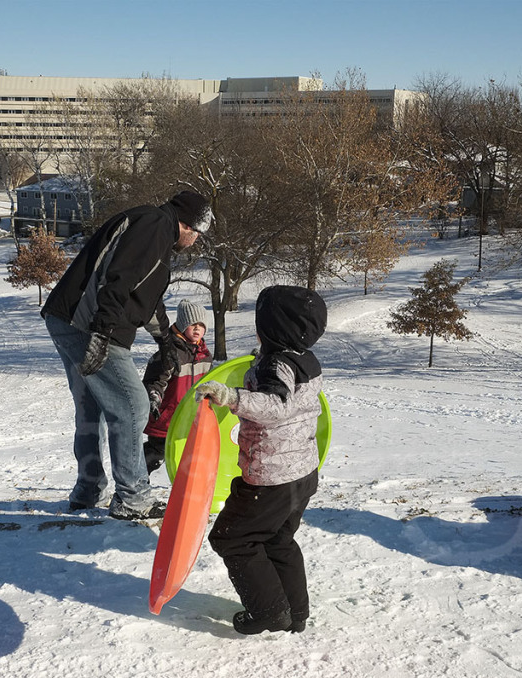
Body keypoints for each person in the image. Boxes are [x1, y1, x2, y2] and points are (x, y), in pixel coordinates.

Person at [41, 190, 212, 520]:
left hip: (67, 318)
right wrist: (102, 335)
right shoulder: (156, 225)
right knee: (132, 405)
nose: (195, 243)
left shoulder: (152, 228)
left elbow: (143, 297)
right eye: (199, 236)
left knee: (91, 406)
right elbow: (117, 278)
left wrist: (166, 340)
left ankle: (88, 488)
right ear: (190, 227)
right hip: (86, 324)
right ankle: (134, 497)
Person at [196, 285, 327, 634]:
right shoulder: (305, 360)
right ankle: (295, 612)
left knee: (232, 538)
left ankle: (269, 611)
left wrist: (230, 397)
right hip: (302, 474)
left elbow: (277, 404)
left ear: (274, 328)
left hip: (271, 477)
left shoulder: (277, 364)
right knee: (277, 539)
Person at [142, 299, 213, 474]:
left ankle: (187, 489)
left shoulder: (205, 355)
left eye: (201, 325)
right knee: (156, 454)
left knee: (188, 456)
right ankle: (135, 484)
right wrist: (154, 395)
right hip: (165, 418)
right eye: (192, 324)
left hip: (189, 419)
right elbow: (155, 381)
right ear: (182, 325)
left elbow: (210, 381)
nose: (197, 329)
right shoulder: (169, 353)